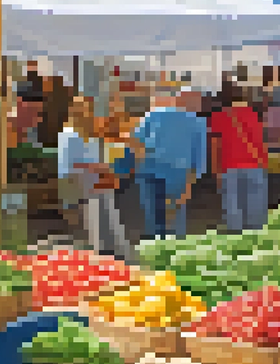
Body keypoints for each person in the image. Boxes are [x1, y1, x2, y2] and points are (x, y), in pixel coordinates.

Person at [58, 96, 131, 259]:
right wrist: (101, 168)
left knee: (104, 201)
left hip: (89, 179)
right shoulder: (71, 135)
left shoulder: (86, 135)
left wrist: (105, 170)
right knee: (99, 202)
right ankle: (106, 247)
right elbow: (70, 165)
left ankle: (108, 246)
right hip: (77, 181)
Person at [133, 88, 207, 239]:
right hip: (178, 174)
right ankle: (173, 252)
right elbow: (198, 159)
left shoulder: (154, 114)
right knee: (175, 217)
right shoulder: (198, 122)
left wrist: (141, 159)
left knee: (153, 216)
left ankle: (155, 248)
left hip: (149, 170)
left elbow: (134, 141)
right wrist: (189, 186)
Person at [209, 84, 270, 233]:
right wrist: (265, 163)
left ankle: (236, 243)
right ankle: (256, 243)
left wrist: (215, 170)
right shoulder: (253, 114)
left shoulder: (218, 117)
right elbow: (260, 141)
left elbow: (215, 146)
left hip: (229, 166)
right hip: (255, 165)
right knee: (256, 210)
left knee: (233, 208)